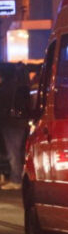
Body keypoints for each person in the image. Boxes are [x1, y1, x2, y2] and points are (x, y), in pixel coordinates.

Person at [1, 63, 30, 191]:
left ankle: (16, 179)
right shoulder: (20, 86)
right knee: (17, 151)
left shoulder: (6, 87)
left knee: (13, 152)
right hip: (20, 122)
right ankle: (18, 177)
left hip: (10, 123)